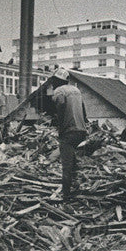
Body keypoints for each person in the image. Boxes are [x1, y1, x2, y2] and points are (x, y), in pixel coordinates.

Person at [51, 68, 88, 202]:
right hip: (81, 131)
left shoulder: (59, 91)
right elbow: (84, 112)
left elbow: (60, 105)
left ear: (57, 81)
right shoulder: (76, 90)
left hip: (69, 132)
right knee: (74, 162)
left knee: (66, 165)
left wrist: (60, 127)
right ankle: (77, 186)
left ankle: (66, 195)